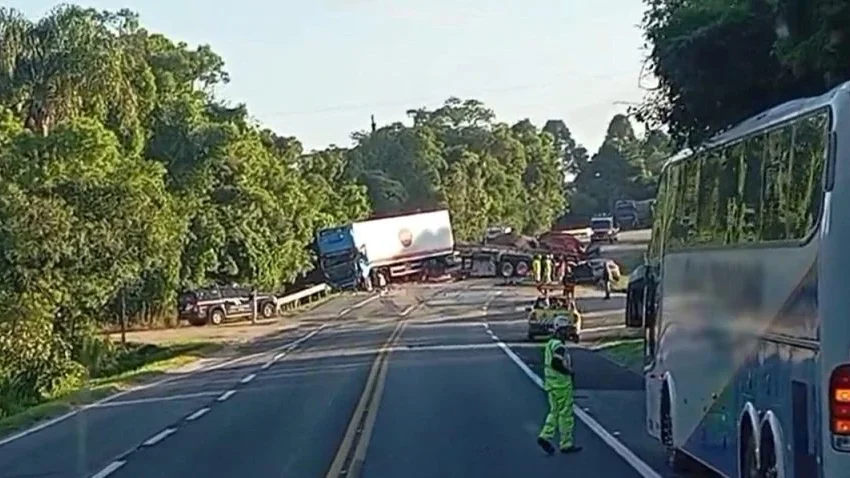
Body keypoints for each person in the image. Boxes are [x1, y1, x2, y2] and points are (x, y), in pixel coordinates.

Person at [537, 316, 582, 455]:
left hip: (551, 385)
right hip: (562, 385)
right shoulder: (559, 347)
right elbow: (556, 363)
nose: (568, 333)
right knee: (566, 414)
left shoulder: (551, 343)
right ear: (561, 330)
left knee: (554, 412)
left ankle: (545, 435)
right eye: (567, 330)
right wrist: (569, 372)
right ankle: (566, 443)